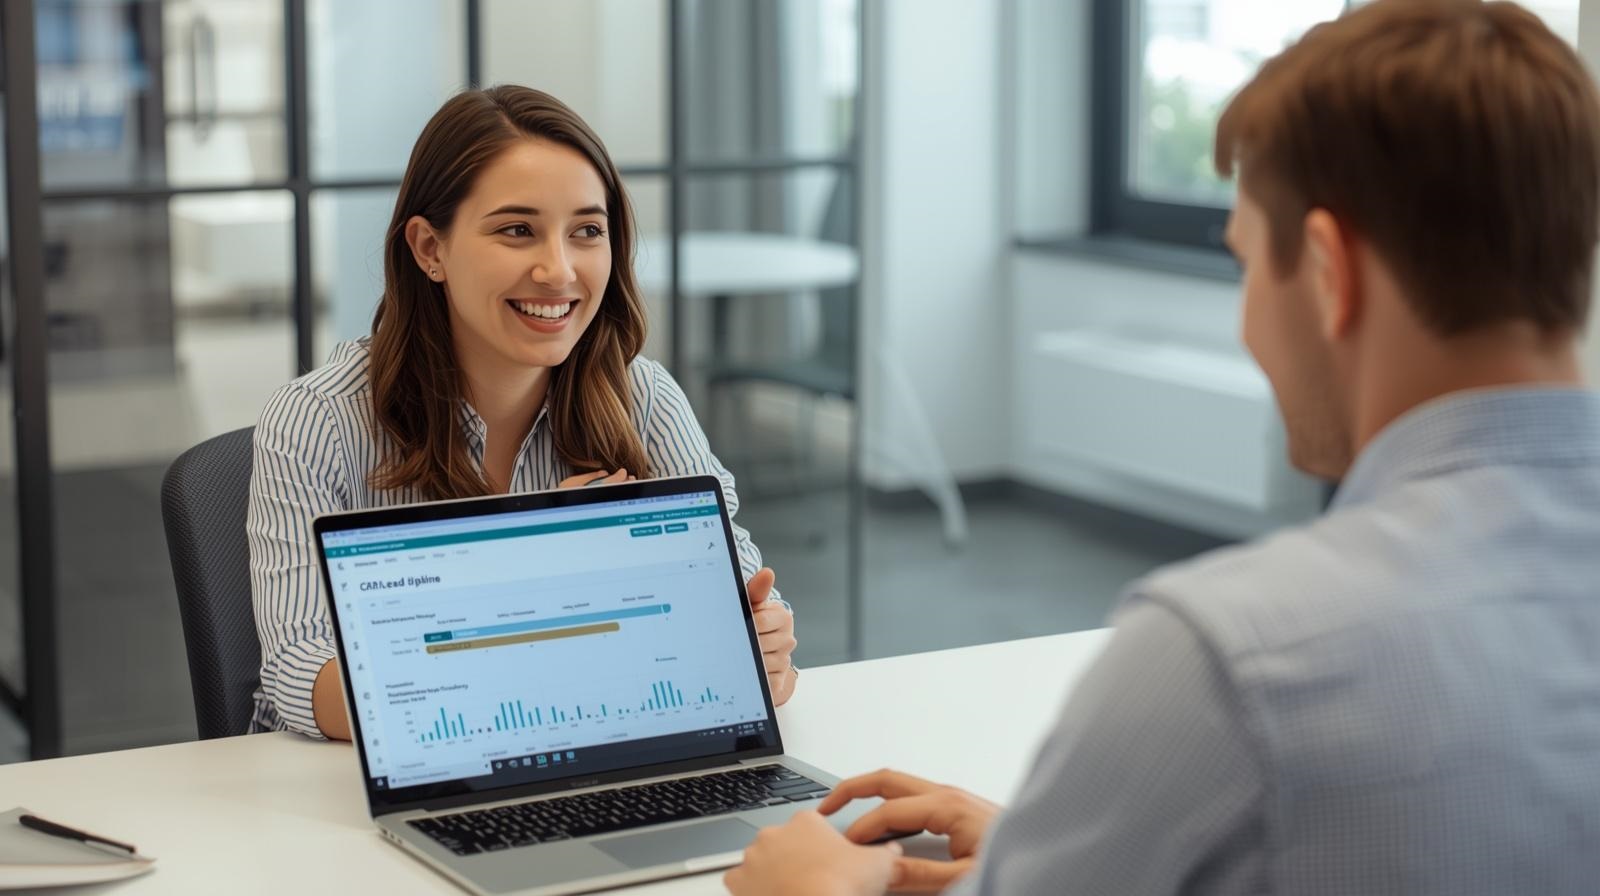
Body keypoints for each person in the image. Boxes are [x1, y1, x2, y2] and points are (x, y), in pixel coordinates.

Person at [726, 1, 1600, 893]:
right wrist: (1057, 861)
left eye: (1247, 263)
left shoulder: (1233, 661)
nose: (1249, 319)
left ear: (1332, 274)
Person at [246, 86, 798, 742]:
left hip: (588, 758)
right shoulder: (318, 422)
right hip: (359, 793)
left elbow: (744, 607)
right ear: (429, 249)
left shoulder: (643, 398)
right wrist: (544, 570)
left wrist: (762, 644)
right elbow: (305, 677)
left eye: (587, 231)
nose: (558, 270)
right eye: (517, 230)